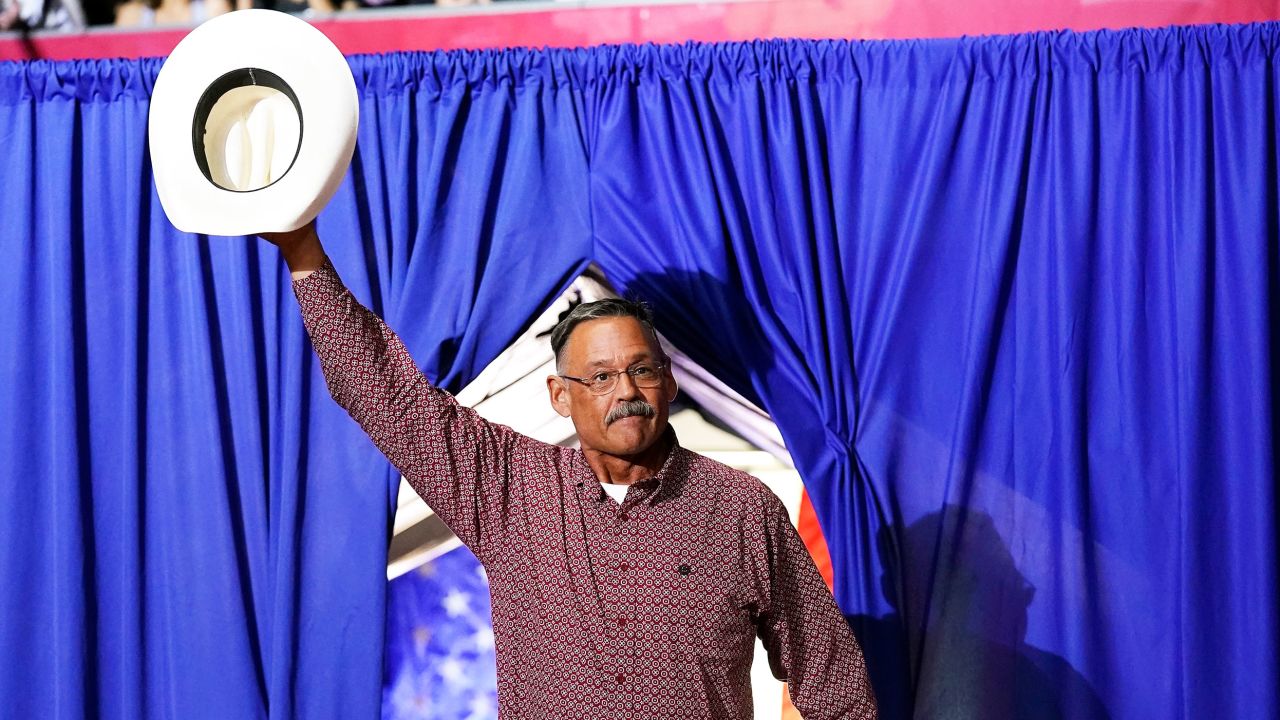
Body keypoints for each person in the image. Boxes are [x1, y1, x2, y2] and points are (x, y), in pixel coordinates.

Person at [261, 222, 877, 719]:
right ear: (561, 396)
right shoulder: (512, 489)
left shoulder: (742, 510)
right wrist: (305, 254)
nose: (627, 391)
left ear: (668, 380)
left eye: (643, 370)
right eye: (601, 377)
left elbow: (832, 678)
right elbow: (385, 394)